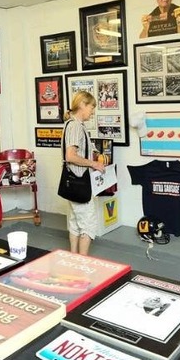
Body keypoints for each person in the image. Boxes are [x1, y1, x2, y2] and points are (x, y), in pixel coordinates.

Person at [61, 91, 105, 255]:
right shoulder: (75, 126)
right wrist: (94, 163)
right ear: (82, 105)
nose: (92, 112)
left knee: (74, 222)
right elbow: (70, 156)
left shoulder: (70, 124)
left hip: (72, 182)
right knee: (87, 225)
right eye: (91, 107)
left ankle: (73, 258)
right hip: (80, 182)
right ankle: (82, 261)